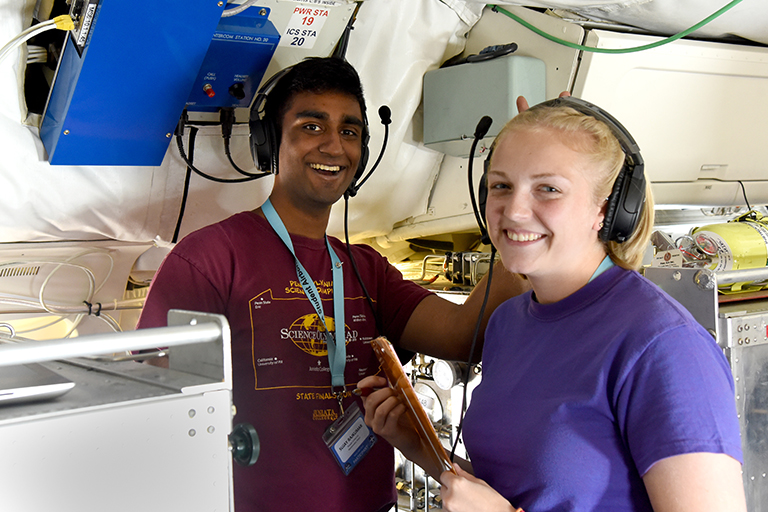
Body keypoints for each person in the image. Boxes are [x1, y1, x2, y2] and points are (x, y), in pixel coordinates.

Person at [136, 57, 529, 512]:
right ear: (270, 142)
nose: (333, 146)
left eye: (349, 131)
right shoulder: (207, 260)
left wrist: (519, 210)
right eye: (311, 126)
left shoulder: (367, 269)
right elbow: (154, 412)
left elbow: (466, 333)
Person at [359, 97, 747, 512]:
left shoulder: (664, 347)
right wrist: (420, 446)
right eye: (501, 186)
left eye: (548, 189)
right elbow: (529, 492)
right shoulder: (508, 323)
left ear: (609, 209)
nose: (514, 210)